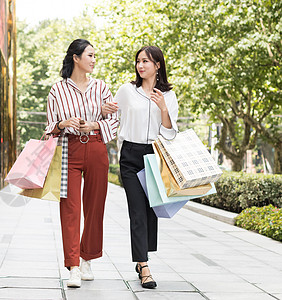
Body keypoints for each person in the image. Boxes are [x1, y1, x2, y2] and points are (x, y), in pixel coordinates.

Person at [45, 39, 119, 288]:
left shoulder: (101, 88)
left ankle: (87, 258)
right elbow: (49, 128)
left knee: (95, 207)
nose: (94, 60)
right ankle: (73, 266)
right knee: (70, 208)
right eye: (90, 55)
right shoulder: (58, 90)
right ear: (76, 58)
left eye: (94, 55)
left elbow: (115, 121)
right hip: (70, 149)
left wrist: (96, 123)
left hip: (97, 147)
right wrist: (63, 124)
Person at [103, 46, 179, 288]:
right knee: (136, 210)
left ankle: (142, 257)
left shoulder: (168, 95)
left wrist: (162, 107)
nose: (140, 65)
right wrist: (105, 111)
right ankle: (144, 266)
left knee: (149, 211)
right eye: (138, 61)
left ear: (158, 64)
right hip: (130, 155)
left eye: (146, 61)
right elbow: (112, 116)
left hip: (154, 155)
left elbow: (169, 133)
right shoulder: (127, 90)